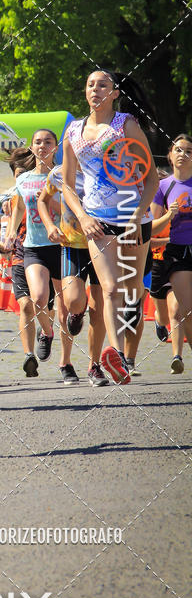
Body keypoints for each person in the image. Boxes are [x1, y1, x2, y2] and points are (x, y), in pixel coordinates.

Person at [63, 70, 159, 384]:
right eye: (90, 84)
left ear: (115, 93)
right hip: (98, 221)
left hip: (135, 220)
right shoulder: (73, 132)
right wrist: (83, 217)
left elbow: (151, 179)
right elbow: (66, 185)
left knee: (133, 293)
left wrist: (138, 214)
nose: (96, 89)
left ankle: (125, 351)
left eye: (103, 84)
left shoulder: (126, 125)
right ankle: (116, 356)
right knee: (111, 289)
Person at [6, 130, 79, 384]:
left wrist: (49, 204)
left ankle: (66, 363)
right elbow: (17, 209)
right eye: (38, 142)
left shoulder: (62, 175)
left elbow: (73, 210)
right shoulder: (23, 179)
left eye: (48, 142)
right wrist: (9, 235)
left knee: (66, 308)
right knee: (37, 298)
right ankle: (46, 333)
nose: (43, 146)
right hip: (33, 247)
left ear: (56, 147)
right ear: (32, 146)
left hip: (63, 245)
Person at [38, 159, 110, 387]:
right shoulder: (59, 173)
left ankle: (94, 366)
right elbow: (43, 201)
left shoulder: (106, 170)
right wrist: (50, 226)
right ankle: (77, 313)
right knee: (73, 300)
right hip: (72, 246)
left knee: (99, 309)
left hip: (103, 244)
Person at [150, 133, 192, 372]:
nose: (183, 154)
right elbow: (152, 227)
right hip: (177, 251)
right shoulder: (163, 187)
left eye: (188, 151)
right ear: (169, 155)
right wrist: (169, 215)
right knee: (182, 308)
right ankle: (178, 355)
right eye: (178, 150)